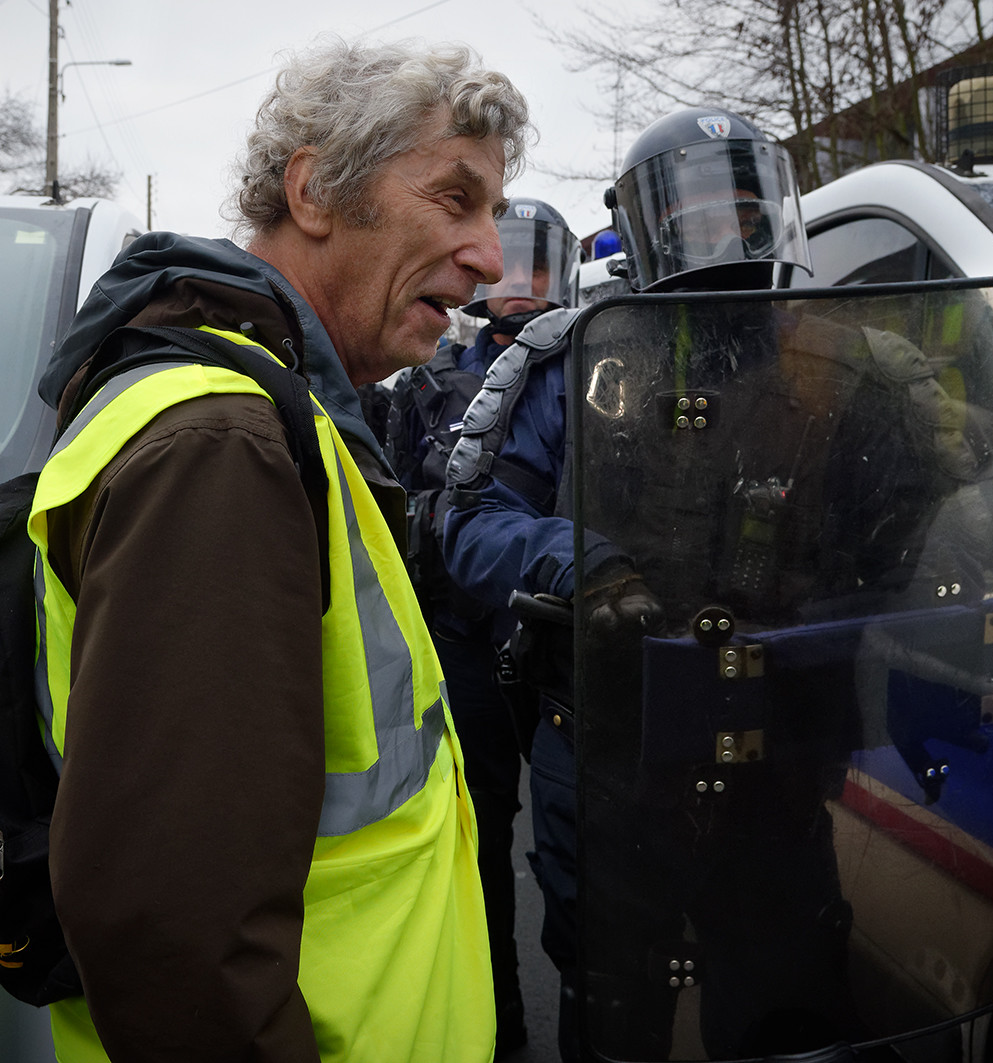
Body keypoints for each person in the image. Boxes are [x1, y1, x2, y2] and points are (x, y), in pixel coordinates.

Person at [28, 38, 531, 1063]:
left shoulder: (278, 415)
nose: (490, 256)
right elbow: (171, 935)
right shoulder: (222, 444)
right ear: (314, 191)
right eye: (454, 198)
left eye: (494, 212)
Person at [442, 104, 969, 1060]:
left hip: (776, 747)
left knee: (782, 986)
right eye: (696, 213)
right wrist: (580, 561)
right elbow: (471, 518)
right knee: (613, 988)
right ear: (646, 226)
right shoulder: (570, 359)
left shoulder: (848, 367)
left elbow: (918, 531)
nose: (725, 235)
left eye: (744, 210)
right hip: (606, 737)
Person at [385, 195, 581, 1054]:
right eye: (513, 261)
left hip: (564, 640)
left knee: (583, 846)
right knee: (477, 838)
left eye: (542, 263)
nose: (524, 282)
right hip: (464, 641)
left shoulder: (594, 365)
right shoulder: (431, 378)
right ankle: (498, 1024)